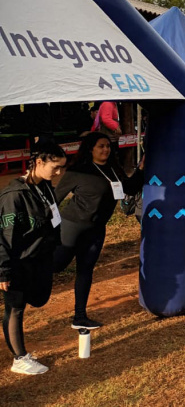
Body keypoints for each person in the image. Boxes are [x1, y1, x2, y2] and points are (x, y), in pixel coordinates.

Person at [53, 132, 145, 328]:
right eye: (101, 146)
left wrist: (141, 169)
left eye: (108, 146)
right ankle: (17, 283)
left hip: (96, 230)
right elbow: (54, 200)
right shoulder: (78, 171)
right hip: (72, 226)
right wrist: (47, 227)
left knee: (85, 270)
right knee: (56, 266)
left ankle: (79, 317)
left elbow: (129, 188)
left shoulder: (113, 169)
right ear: (90, 149)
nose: (105, 150)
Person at [0, 141, 66, 375]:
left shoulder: (45, 186)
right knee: (15, 309)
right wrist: (4, 271)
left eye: (62, 168)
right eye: (55, 167)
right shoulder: (14, 195)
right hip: (18, 262)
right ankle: (19, 359)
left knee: (35, 300)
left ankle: (21, 353)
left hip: (39, 259)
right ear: (39, 163)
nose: (59, 173)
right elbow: (5, 237)